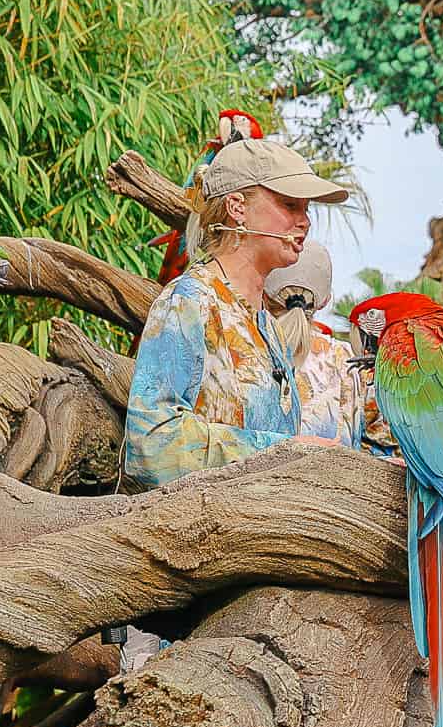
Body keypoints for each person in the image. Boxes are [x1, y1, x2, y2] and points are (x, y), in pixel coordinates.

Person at [124, 138, 350, 489]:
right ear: (236, 207)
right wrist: (284, 452)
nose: (304, 222)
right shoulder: (190, 302)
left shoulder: (267, 327)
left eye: (306, 209)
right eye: (290, 204)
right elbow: (151, 444)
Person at [263, 238, 365, 448]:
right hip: (336, 478)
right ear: (325, 300)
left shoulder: (246, 347)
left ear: (264, 293)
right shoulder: (348, 358)